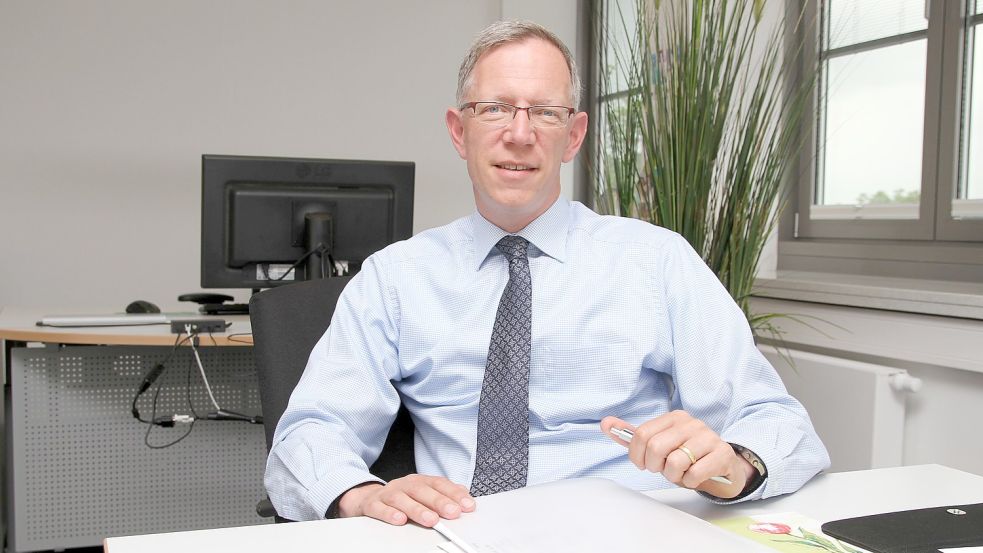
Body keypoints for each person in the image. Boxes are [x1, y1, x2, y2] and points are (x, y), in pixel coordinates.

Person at [265, 20, 829, 526]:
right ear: (459, 131)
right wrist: (360, 492)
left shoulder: (657, 260)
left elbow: (775, 421)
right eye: (495, 108)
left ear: (574, 135)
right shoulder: (395, 277)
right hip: (461, 532)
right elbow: (312, 429)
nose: (519, 133)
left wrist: (736, 464)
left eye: (544, 111)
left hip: (627, 533)